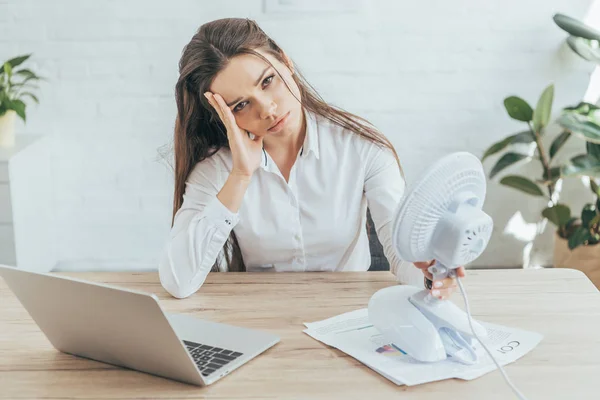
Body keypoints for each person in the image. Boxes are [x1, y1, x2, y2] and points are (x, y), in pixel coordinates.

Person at [158, 17, 465, 300]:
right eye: (240, 105)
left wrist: (430, 271)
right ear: (222, 115)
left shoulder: (360, 146)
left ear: (285, 61)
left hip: (349, 314)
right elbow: (178, 282)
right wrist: (240, 176)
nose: (266, 109)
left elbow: (404, 255)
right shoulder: (217, 169)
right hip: (260, 315)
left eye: (267, 81)